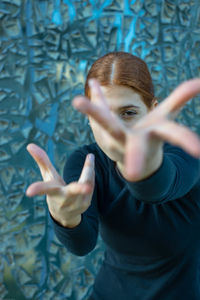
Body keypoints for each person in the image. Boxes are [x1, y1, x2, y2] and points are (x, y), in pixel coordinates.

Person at [26, 52, 200, 300]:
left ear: (153, 111)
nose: (114, 128)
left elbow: (157, 188)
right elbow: (82, 244)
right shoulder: (87, 162)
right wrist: (66, 217)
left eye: (128, 113)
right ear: (89, 118)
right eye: (102, 115)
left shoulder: (186, 152)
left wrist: (139, 166)